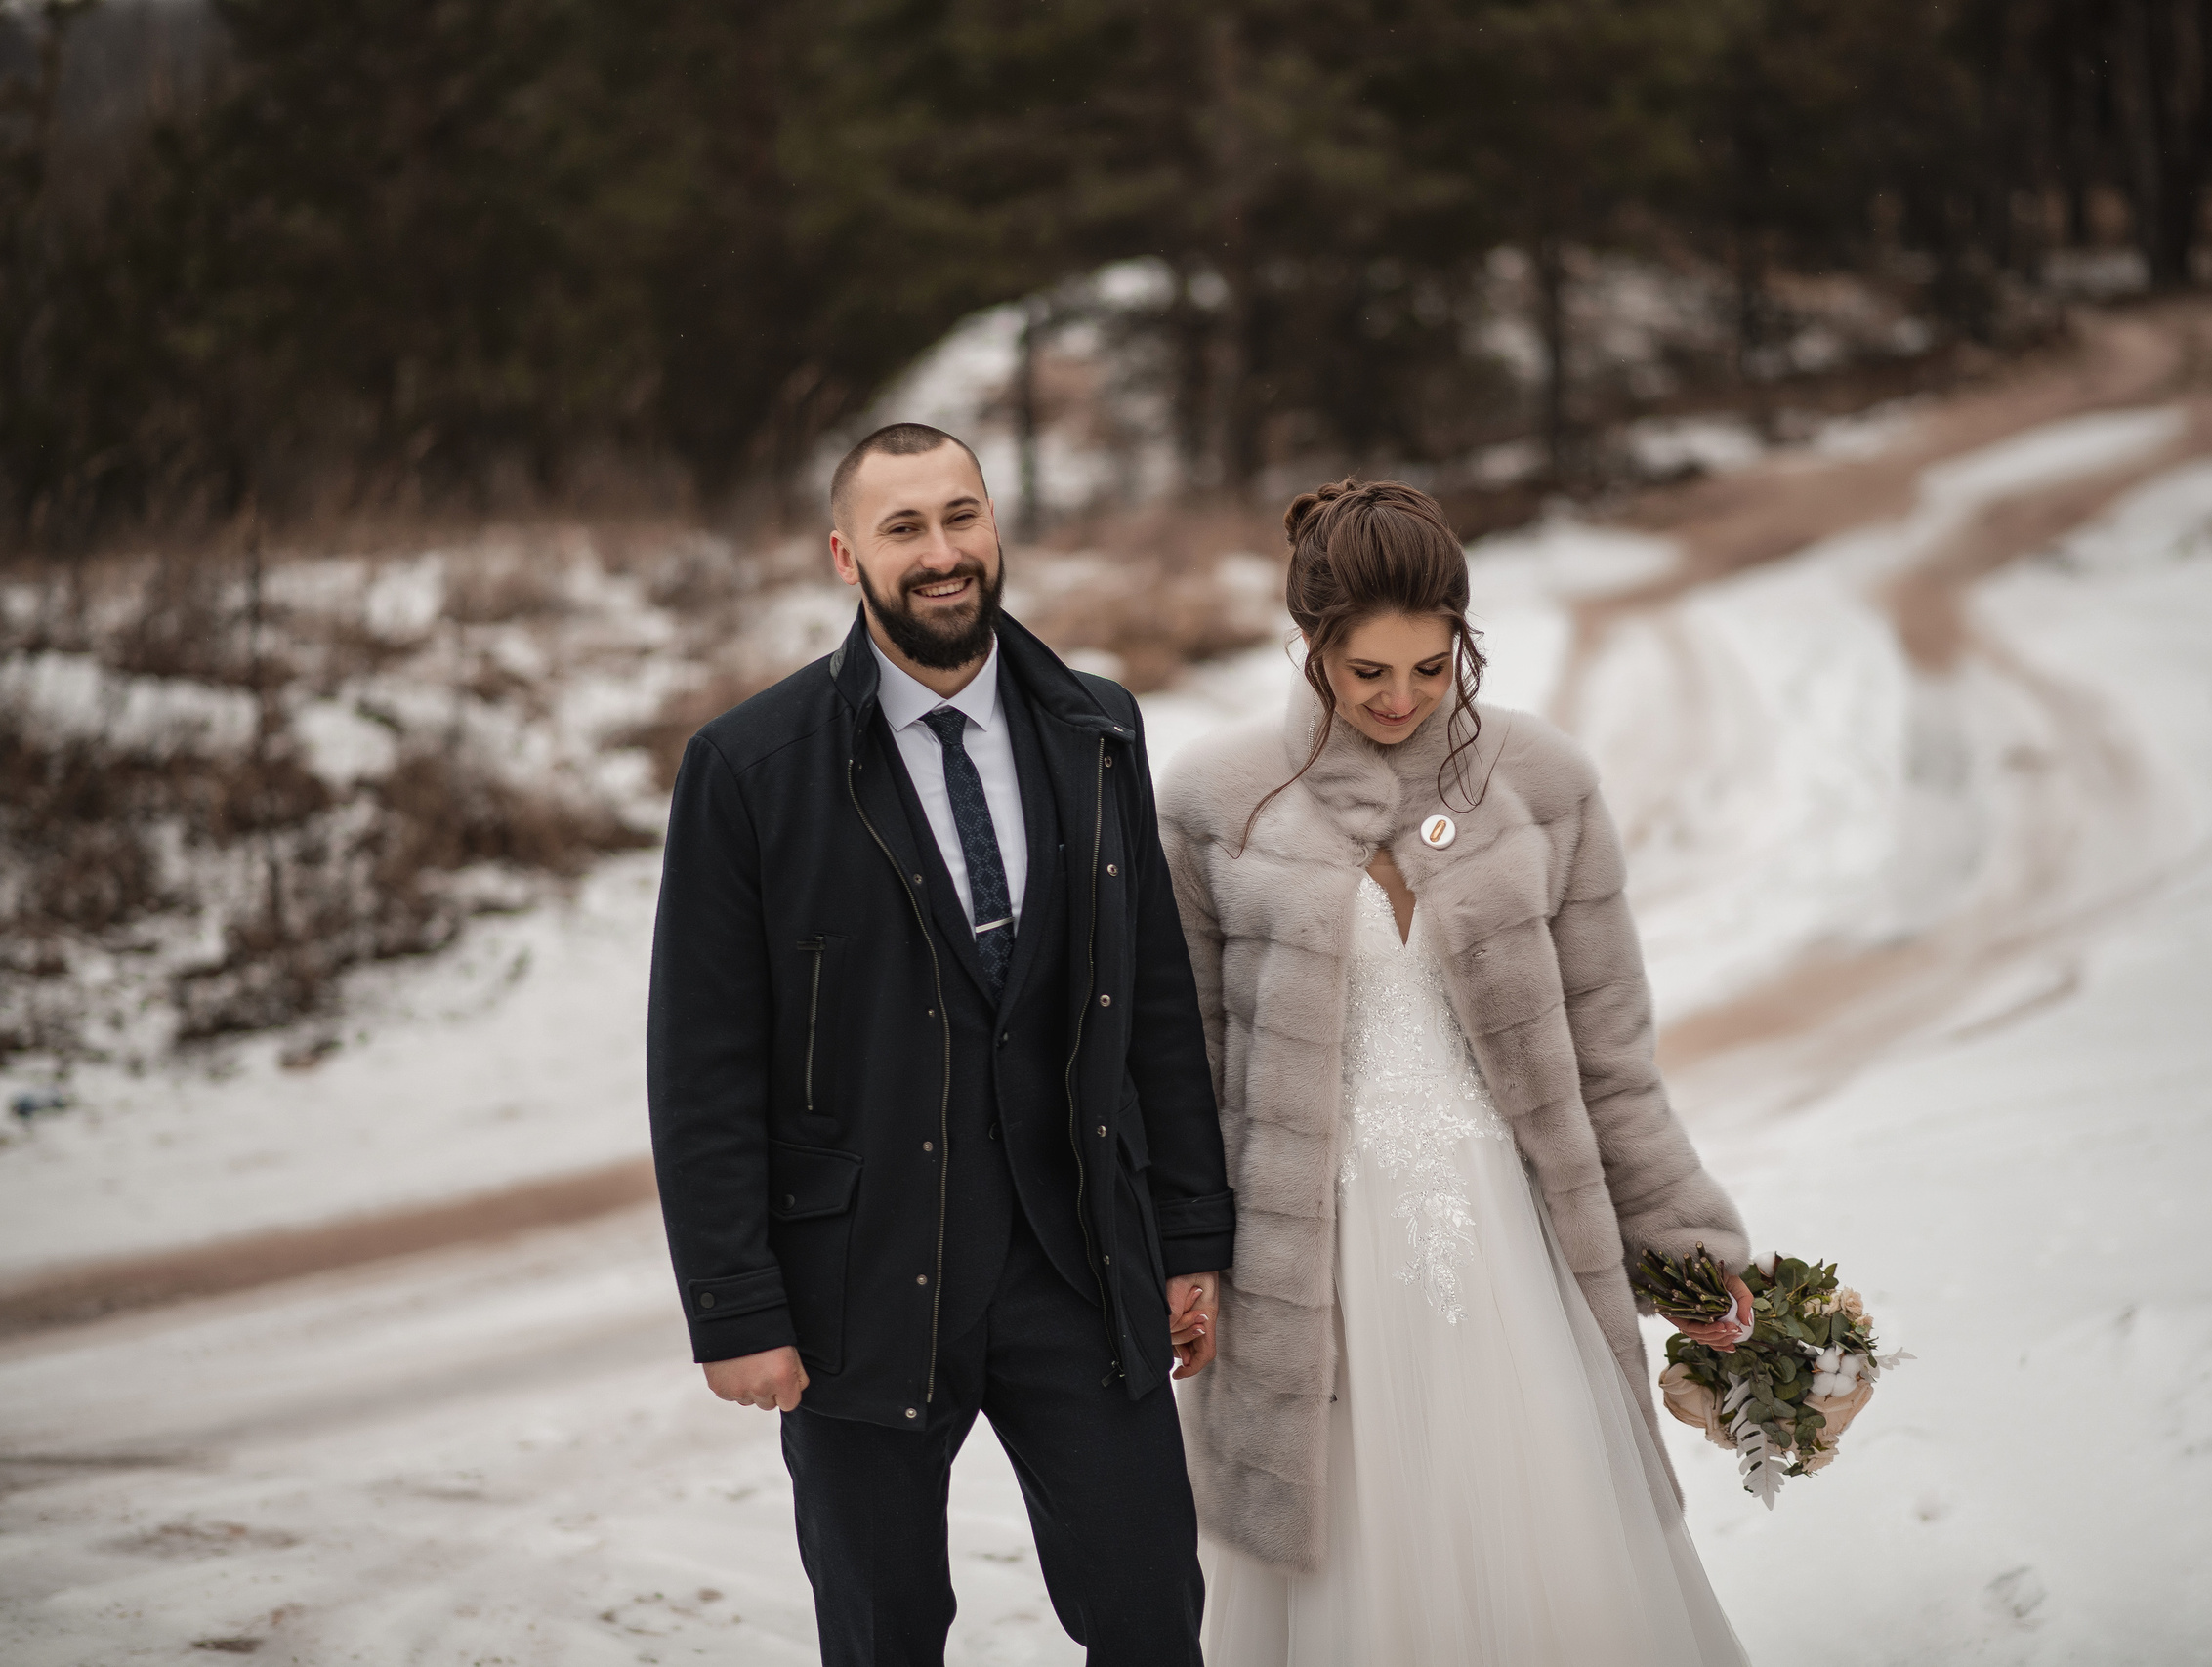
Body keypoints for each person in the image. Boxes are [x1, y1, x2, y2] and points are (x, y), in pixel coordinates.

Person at [646, 421, 1235, 1666]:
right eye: (902, 527)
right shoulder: (748, 768)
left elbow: (1152, 1000)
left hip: (1078, 1259)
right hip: (860, 1280)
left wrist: (1187, 1237)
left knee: (1151, 1614)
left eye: (960, 516)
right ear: (845, 557)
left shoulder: (1097, 726)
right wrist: (734, 1304)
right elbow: (702, 1061)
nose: (941, 552)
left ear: (994, 526)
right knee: (886, 1634)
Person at [1158, 479, 1756, 1666]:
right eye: (1367, 671)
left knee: (1542, 1529)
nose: (1401, 698)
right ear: (1310, 644)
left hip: (1509, 1245)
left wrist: (1686, 1250)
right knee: (1347, 1548)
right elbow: (1185, 1069)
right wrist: (1183, 1259)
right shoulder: (1213, 804)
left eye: (1431, 668)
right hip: (1306, 1261)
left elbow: (1608, 1056)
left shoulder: (1539, 784)